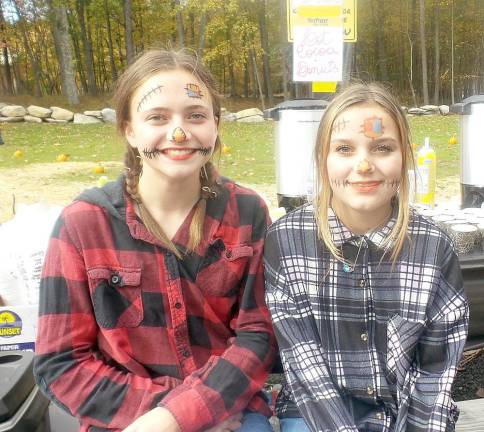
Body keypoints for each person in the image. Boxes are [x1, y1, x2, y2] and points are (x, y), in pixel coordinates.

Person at [34, 49, 276, 432]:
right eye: (157, 117)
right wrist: (172, 417)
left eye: (195, 116)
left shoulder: (247, 212)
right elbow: (61, 363)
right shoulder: (82, 225)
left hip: (233, 413)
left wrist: (194, 410)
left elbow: (258, 337)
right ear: (129, 129)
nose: (179, 133)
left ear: (215, 125)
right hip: (128, 420)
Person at [264, 82, 469, 432]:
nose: (363, 165)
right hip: (314, 412)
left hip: (401, 413)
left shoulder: (434, 248)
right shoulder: (286, 241)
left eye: (383, 148)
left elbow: (435, 375)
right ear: (322, 159)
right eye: (344, 149)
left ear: (405, 156)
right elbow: (304, 365)